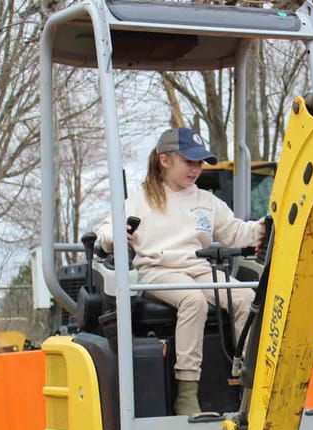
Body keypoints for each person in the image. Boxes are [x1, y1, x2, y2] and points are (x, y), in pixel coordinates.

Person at [96, 127, 264, 415]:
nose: (196, 169)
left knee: (246, 297)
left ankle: (250, 382)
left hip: (198, 268)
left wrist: (262, 229)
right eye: (189, 161)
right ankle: (187, 393)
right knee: (193, 301)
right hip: (157, 270)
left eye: (199, 163)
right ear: (165, 160)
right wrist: (114, 235)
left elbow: (236, 233)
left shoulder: (206, 201)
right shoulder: (143, 199)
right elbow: (105, 230)